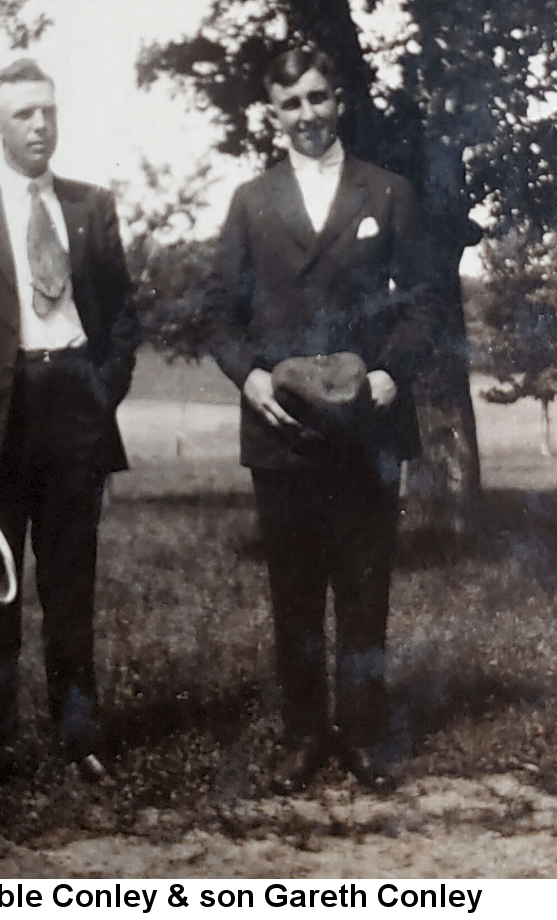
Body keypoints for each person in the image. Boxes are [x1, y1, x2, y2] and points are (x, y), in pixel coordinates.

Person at [206, 44, 441, 791]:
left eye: (316, 98)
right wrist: (248, 380)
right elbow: (218, 314)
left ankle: (366, 736)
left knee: (366, 586)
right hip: (284, 428)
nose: (306, 115)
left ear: (337, 101)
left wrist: (387, 372)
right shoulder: (252, 199)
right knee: (296, 592)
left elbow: (427, 302)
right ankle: (304, 737)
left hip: (368, 426)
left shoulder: (388, 192)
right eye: (290, 104)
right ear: (273, 116)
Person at [0, 58, 139, 788]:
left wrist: (101, 393)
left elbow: (122, 317)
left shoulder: (91, 206)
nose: (40, 126)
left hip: (74, 407)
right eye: (23, 115)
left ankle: (80, 738)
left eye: (48, 111)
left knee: (72, 588)